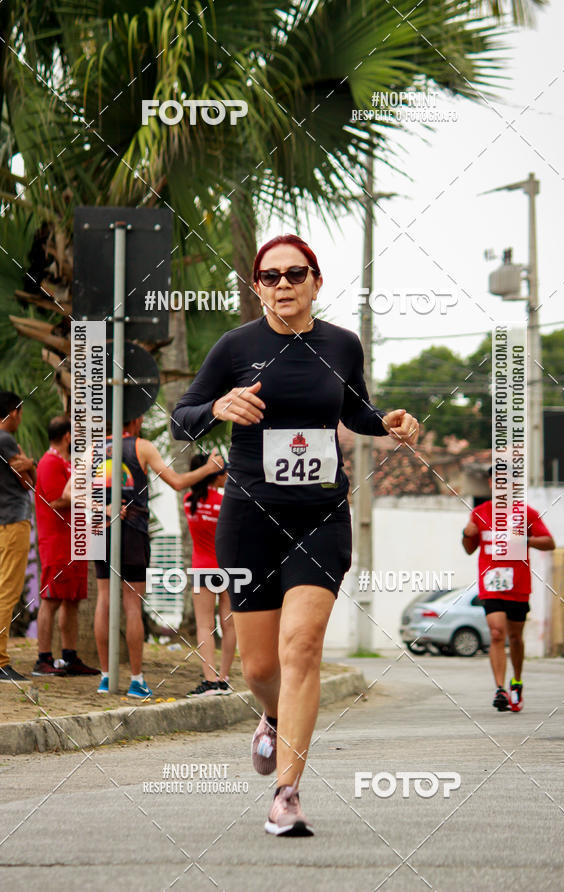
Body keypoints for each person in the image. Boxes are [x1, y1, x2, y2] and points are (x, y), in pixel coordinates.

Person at [171, 233, 419, 836]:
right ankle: (273, 718)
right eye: (271, 276)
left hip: (320, 515)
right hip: (250, 518)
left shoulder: (342, 343)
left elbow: (356, 411)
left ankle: (287, 794)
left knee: (302, 647)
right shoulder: (236, 347)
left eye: (296, 274)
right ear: (257, 287)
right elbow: (183, 415)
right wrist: (218, 408)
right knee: (258, 668)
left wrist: (387, 422)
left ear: (315, 282)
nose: (284, 284)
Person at [90, 414, 224, 699]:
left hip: (100, 529)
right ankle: (136, 680)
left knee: (104, 598)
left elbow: (72, 492)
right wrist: (208, 469)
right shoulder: (142, 446)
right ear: (136, 419)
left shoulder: (94, 449)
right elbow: (176, 482)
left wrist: (102, 509)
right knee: (131, 603)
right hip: (133, 530)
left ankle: (105, 677)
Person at [462, 466, 555, 712]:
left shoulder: (527, 513)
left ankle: (517, 680)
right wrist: (466, 533)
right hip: (490, 584)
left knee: (515, 638)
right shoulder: (480, 513)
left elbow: (549, 543)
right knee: (496, 633)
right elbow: (469, 548)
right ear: (491, 484)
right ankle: (499, 689)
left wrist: (524, 539)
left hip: (518, 584)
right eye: (497, 481)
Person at [33, 415, 99, 677]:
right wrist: (89, 500)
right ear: (68, 437)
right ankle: (43, 659)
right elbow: (56, 501)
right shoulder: (50, 462)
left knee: (72, 600)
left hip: (76, 540)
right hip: (57, 541)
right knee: (51, 599)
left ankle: (69, 657)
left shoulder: (66, 464)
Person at [183, 450, 236, 697]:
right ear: (214, 475)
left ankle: (210, 679)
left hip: (201, 568)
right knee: (229, 624)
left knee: (205, 625)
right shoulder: (226, 502)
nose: (226, 474)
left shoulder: (188, 502)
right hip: (228, 567)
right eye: (223, 471)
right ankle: (224, 679)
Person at [0, 390, 36, 682]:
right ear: (13, 412)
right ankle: (0, 661)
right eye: (20, 413)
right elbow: (26, 480)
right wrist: (29, 461)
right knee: (7, 592)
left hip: (4, 523)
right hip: (13, 521)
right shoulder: (5, 440)